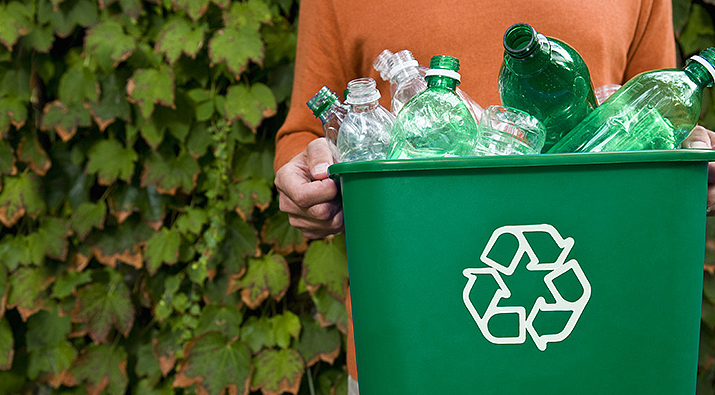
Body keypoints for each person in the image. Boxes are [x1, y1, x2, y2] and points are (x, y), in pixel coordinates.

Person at [273, 1, 715, 393]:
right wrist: (308, 174)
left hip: (608, 355)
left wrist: (691, 167)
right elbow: (312, 127)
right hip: (416, 350)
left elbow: (656, 125)